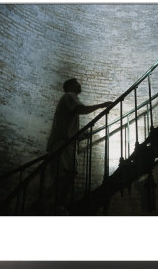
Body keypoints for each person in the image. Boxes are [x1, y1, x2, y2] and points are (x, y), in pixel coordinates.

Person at [44, 78, 112, 214]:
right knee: (65, 175)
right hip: (62, 144)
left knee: (65, 176)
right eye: (77, 83)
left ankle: (51, 205)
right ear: (69, 86)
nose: (80, 85)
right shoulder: (69, 96)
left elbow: (68, 126)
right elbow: (80, 109)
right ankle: (54, 206)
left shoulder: (68, 99)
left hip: (65, 143)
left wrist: (80, 135)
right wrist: (101, 105)